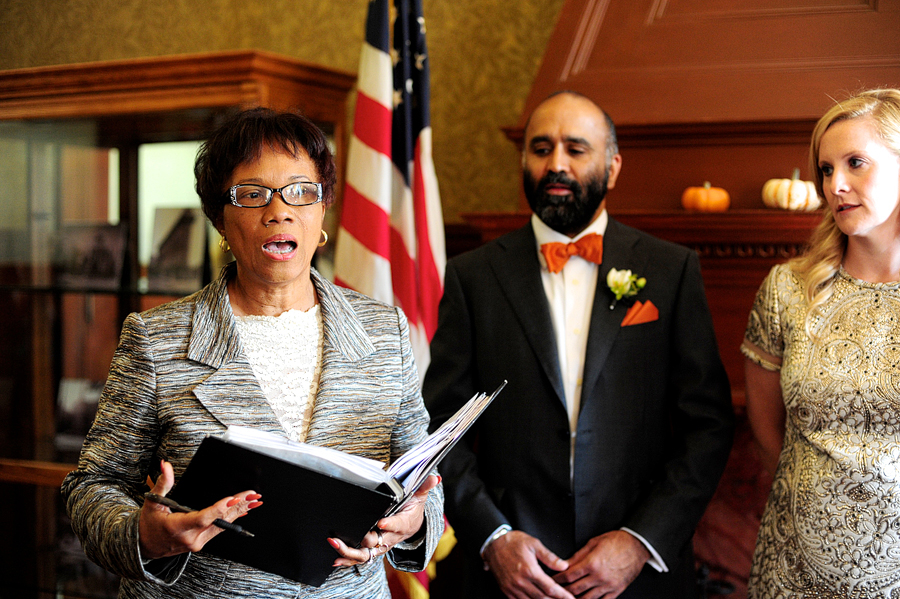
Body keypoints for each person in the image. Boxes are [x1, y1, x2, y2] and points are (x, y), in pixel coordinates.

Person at [61, 107, 443, 599]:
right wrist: (145, 534)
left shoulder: (384, 331)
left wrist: (411, 522)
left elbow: (422, 482)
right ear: (220, 218)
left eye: (301, 191)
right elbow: (91, 486)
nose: (279, 210)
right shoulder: (157, 339)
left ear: (322, 210)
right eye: (252, 194)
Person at [423, 91, 735, 599]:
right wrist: (494, 536)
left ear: (612, 167)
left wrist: (640, 541)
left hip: (637, 577)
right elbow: (441, 428)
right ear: (524, 161)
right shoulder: (471, 277)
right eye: (541, 149)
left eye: (576, 148)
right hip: (504, 576)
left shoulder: (670, 271)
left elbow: (709, 425)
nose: (557, 165)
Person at [742, 88, 900, 597]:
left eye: (856, 163)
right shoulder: (787, 288)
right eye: (826, 170)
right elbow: (768, 433)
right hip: (792, 567)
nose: (837, 185)